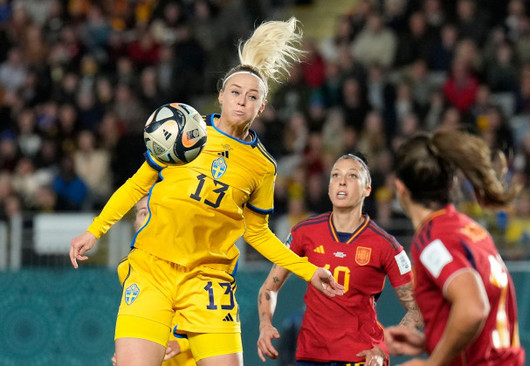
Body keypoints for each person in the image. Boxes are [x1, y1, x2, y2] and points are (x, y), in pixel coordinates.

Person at [69, 17, 344, 366]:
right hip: (153, 269)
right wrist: (95, 230)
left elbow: (257, 233)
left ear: (262, 107)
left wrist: (308, 270)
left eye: (252, 97)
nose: (242, 101)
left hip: (209, 283)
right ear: (221, 96)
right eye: (235, 93)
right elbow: (138, 184)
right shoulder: (185, 131)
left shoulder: (263, 167)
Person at [257, 153, 423, 366]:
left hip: (360, 357)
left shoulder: (386, 245)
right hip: (310, 356)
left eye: (352, 175)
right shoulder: (303, 232)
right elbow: (269, 288)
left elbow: (417, 307)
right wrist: (265, 325)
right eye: (335, 175)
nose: (342, 181)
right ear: (328, 188)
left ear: (367, 190)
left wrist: (383, 349)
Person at [384, 130, 525, 365]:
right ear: (451, 184)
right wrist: (428, 341)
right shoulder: (471, 230)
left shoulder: (432, 240)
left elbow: (473, 308)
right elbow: (483, 316)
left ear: (401, 189)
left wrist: (432, 363)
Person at [112, 195, 195, 366]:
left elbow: (216, 322)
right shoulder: (126, 269)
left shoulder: (194, 264)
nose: (150, 218)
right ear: (135, 224)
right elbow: (138, 320)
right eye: (143, 213)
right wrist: (129, 349)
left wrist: (182, 343)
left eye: (156, 211)